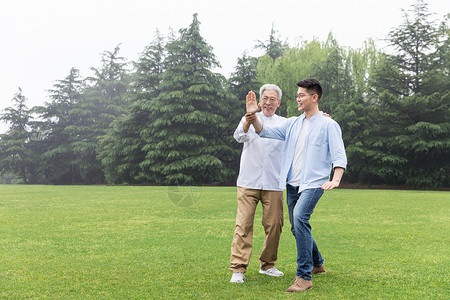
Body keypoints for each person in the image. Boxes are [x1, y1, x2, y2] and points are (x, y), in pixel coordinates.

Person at [246, 78, 347, 292]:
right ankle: (317, 263)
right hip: (292, 183)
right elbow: (264, 131)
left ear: (314, 97)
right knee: (297, 226)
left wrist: (336, 179)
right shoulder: (292, 123)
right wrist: (253, 116)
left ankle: (304, 276)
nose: (298, 99)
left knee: (300, 218)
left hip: (315, 183)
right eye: (297, 95)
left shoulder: (329, 124)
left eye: (302, 95)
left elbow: (339, 155)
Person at [229, 84, 286, 283]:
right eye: (265, 99)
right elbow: (239, 136)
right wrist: (249, 120)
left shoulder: (285, 123)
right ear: (259, 101)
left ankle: (268, 265)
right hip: (248, 180)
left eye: (273, 99)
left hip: (274, 182)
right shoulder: (248, 117)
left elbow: (305, 128)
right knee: (243, 224)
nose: (268, 102)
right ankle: (238, 268)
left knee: (275, 225)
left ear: (278, 103)